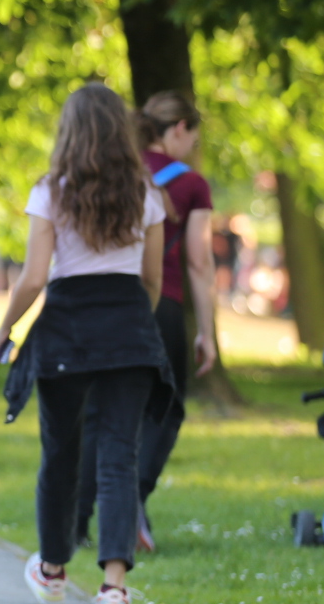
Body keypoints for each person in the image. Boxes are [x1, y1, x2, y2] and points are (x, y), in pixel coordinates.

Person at [0, 82, 173, 604]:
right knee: (119, 457)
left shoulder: (50, 192)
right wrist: (133, 321)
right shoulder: (148, 195)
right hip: (129, 326)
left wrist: (5, 329)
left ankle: (52, 569)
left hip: (66, 329)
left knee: (60, 452)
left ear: (68, 132)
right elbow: (153, 280)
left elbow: (34, 278)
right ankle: (113, 590)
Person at [74, 91, 218, 550]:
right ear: (179, 129)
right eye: (193, 138)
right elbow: (198, 261)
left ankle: (77, 521)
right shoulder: (190, 184)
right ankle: (132, 496)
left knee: (98, 412)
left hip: (105, 304)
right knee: (165, 406)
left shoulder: (113, 171)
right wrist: (208, 331)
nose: (191, 148)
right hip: (162, 305)